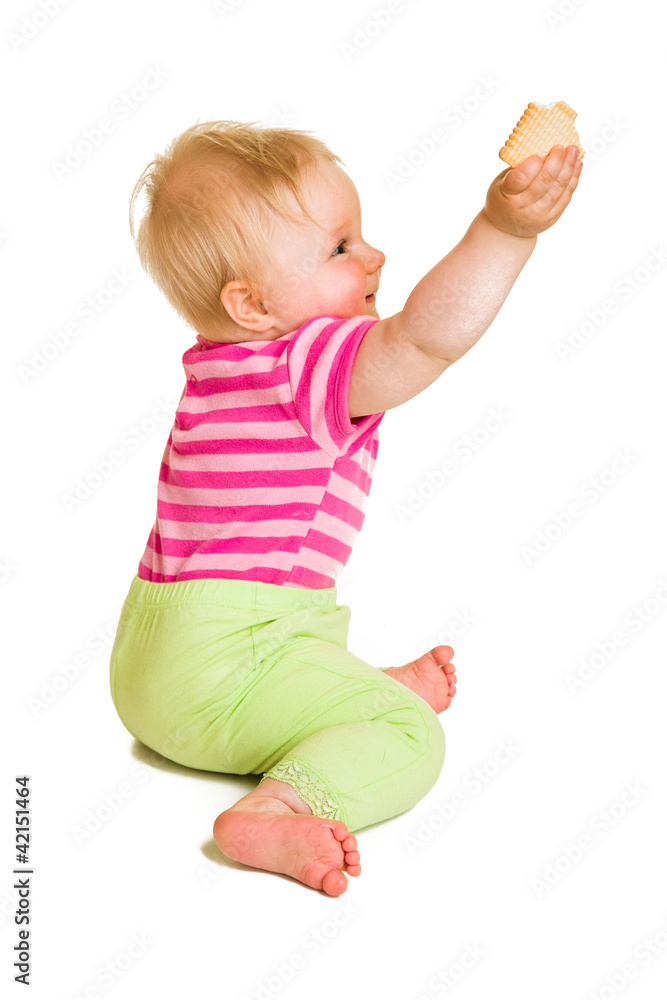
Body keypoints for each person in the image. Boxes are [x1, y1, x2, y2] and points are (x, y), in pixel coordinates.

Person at [109, 120, 582, 896]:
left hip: (155, 663)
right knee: (409, 736)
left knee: (307, 633)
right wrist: (504, 229)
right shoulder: (302, 359)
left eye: (359, 237)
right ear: (251, 304)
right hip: (226, 664)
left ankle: (346, 686)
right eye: (339, 249)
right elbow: (425, 341)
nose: (374, 257)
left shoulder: (223, 368)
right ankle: (274, 809)